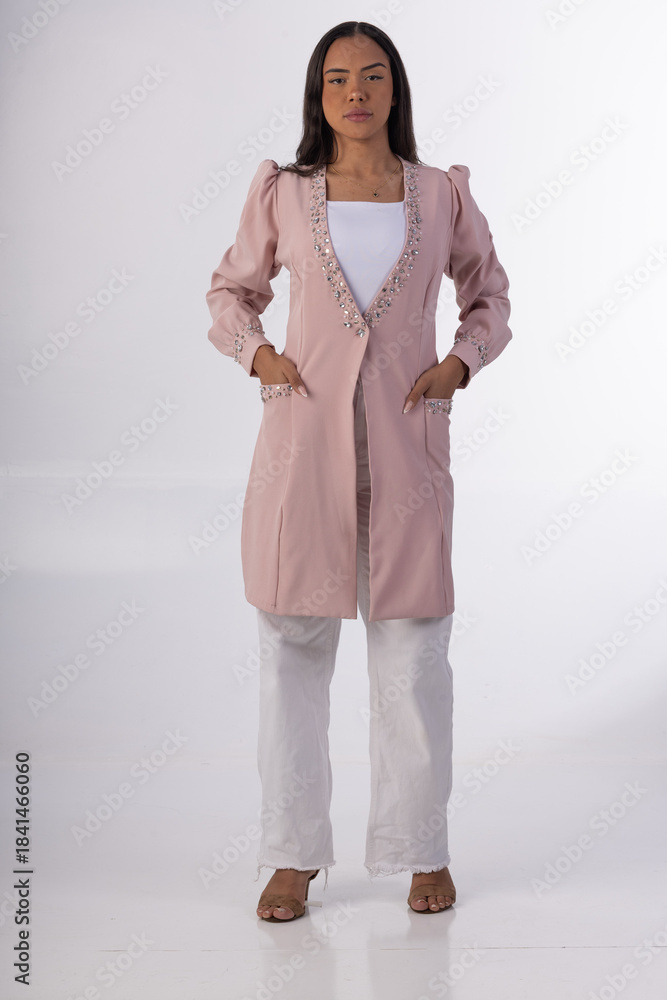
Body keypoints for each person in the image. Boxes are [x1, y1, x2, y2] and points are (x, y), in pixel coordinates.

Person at [205, 20, 512, 921]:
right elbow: (230, 291)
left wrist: (459, 364)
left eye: (372, 76)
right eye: (337, 78)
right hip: (300, 453)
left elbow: (488, 294)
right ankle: (291, 855)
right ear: (318, 93)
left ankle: (421, 849)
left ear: (394, 90)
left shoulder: (439, 193)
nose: (355, 92)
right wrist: (258, 355)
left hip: (408, 450)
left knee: (414, 655)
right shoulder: (285, 192)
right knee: (291, 650)